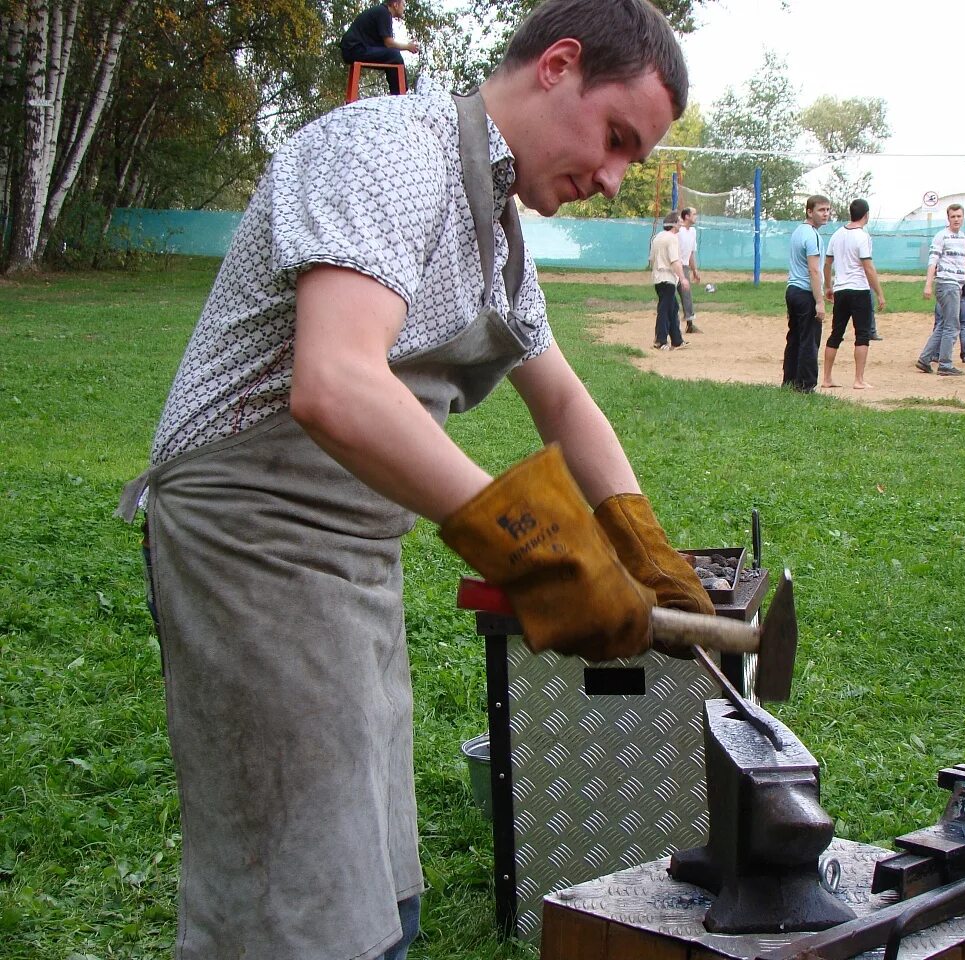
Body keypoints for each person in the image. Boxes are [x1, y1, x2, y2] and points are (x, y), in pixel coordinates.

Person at [114, 2, 712, 958]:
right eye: (615, 139)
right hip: (249, 533)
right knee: (294, 894)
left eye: (631, 162)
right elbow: (337, 383)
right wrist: (537, 549)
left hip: (355, 550)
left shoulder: (498, 236)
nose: (610, 177)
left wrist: (643, 543)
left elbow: (564, 404)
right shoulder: (392, 147)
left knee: (376, 875)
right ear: (559, 65)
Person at [821, 198, 884, 389]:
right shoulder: (862, 236)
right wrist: (879, 293)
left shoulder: (837, 234)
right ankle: (858, 380)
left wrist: (829, 286)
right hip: (859, 290)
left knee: (836, 334)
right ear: (866, 215)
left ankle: (827, 378)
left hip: (841, 290)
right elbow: (868, 267)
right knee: (862, 334)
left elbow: (827, 263)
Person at [918, 203, 965, 376]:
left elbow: (962, 264)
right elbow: (933, 261)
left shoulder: (962, 238)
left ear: (963, 217)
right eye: (953, 216)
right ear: (948, 218)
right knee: (953, 326)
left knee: (944, 324)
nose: (956, 219)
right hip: (947, 284)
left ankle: (925, 359)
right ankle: (945, 364)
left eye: (959, 216)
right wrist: (928, 284)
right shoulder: (941, 236)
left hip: (957, 284)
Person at [782, 194, 832, 392]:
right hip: (804, 292)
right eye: (821, 210)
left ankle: (790, 381)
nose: (826, 214)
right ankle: (805, 386)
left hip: (792, 290)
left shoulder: (798, 232)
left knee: (794, 337)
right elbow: (814, 269)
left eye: (828, 210)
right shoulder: (812, 235)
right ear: (809, 212)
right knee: (809, 340)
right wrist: (819, 301)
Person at [341, 0, 421, 95]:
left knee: (392, 57)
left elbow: (385, 45)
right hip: (354, 50)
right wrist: (408, 47)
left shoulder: (382, 12)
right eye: (403, 5)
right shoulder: (384, 12)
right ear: (395, 5)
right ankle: (400, 95)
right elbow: (389, 43)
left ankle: (398, 93)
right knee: (394, 55)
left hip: (353, 50)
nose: (404, 8)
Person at [932, 237, 965, 362]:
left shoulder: (942, 241)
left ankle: (936, 353)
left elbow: (935, 268)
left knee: (942, 322)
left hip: (949, 287)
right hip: (955, 288)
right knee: (963, 323)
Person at [651, 210, 688, 349]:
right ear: (673, 224)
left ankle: (677, 340)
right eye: (679, 222)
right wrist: (683, 279)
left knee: (673, 308)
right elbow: (675, 261)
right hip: (667, 278)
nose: (681, 224)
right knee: (665, 309)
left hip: (658, 278)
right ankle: (660, 340)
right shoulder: (672, 238)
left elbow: (652, 259)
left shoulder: (658, 237)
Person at [678, 206, 702, 333]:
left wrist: (694, 270)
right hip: (673, 266)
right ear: (687, 216)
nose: (696, 216)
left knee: (686, 294)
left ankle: (690, 324)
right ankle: (670, 325)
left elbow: (691, 253)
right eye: (694, 214)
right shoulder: (678, 230)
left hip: (685, 266)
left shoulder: (692, 231)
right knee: (670, 296)